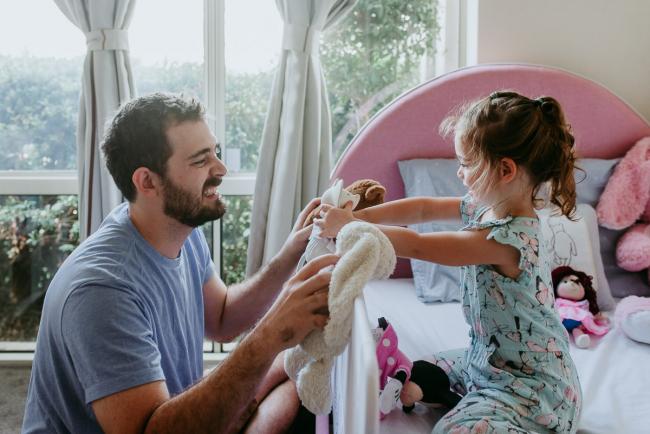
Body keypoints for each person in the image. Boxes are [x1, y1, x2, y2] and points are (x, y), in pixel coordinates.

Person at [22, 93, 336, 434]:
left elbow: (222, 319)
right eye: (201, 161)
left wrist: (291, 252)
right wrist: (271, 334)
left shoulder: (177, 228)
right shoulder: (101, 291)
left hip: (167, 413)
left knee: (299, 381)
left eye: (214, 151)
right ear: (147, 181)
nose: (221, 169)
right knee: (287, 377)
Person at [316, 91, 582, 433]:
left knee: (451, 431)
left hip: (533, 390)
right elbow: (423, 208)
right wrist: (358, 214)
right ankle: (447, 391)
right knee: (422, 366)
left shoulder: (507, 241)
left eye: (467, 163)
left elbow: (420, 244)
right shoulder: (488, 208)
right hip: (488, 361)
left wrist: (351, 227)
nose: (460, 173)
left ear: (505, 170)